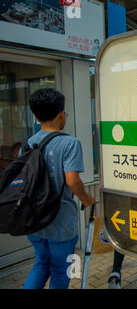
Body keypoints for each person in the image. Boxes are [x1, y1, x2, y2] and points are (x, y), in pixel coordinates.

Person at [22, 88, 95, 289]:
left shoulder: (27, 143)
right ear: (62, 114)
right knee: (60, 270)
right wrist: (86, 198)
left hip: (34, 220)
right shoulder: (70, 143)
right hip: (60, 221)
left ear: (35, 116)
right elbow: (72, 181)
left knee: (41, 264)